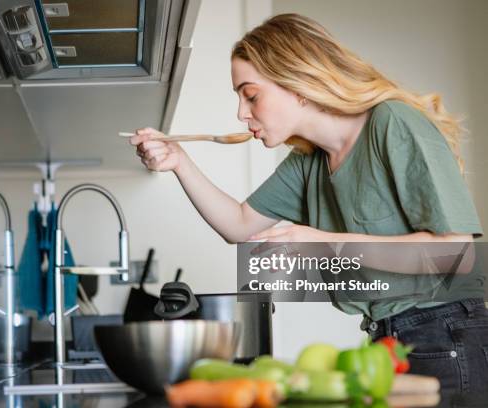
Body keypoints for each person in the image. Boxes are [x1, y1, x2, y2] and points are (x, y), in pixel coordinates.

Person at [129, 14, 486, 393]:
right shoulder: (309, 162)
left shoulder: (391, 123)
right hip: (390, 342)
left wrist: (321, 242)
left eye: (251, 95)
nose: (241, 113)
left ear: (298, 84)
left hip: (447, 336)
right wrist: (180, 162)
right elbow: (237, 224)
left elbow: (456, 253)